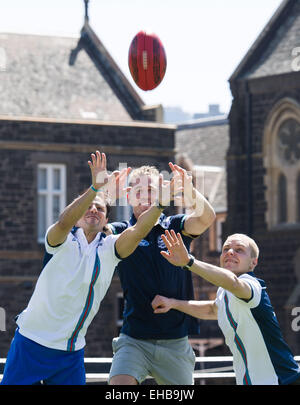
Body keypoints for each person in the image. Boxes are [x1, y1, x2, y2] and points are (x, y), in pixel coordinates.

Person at [1, 151, 177, 385]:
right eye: (88, 207)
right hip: (32, 342)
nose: (94, 210)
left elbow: (137, 232)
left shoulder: (111, 248)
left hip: (72, 351)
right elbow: (64, 221)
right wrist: (95, 189)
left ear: (107, 221)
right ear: (77, 216)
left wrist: (161, 203)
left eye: (101, 209)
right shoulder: (60, 239)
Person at [108, 163, 216, 385]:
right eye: (139, 191)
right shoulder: (120, 230)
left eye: (151, 191)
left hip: (175, 342)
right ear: (128, 196)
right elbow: (95, 230)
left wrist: (189, 190)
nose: (145, 197)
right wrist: (102, 192)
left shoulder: (174, 226)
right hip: (134, 340)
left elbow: (207, 219)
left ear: (163, 194)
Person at [152, 230, 300, 385]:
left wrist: (189, 262)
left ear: (253, 262)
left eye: (239, 250)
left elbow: (233, 283)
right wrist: (173, 303)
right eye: (225, 249)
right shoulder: (224, 292)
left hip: (281, 380)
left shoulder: (252, 285)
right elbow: (212, 309)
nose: (230, 252)